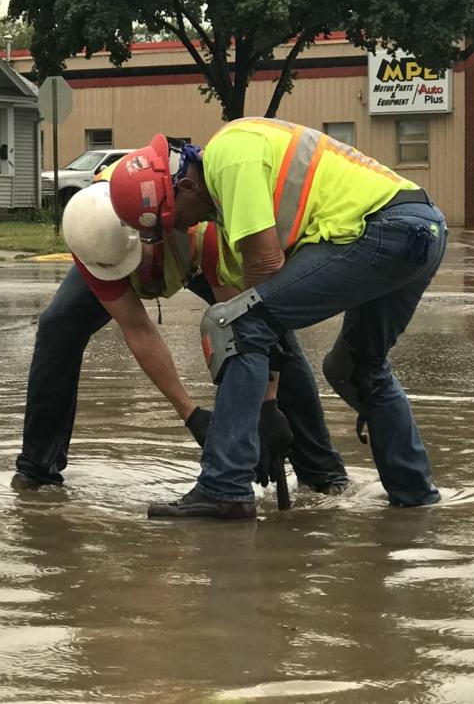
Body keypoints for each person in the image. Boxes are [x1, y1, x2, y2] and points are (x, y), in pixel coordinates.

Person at [107, 121, 448, 519]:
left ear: (185, 188)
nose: (179, 230)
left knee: (230, 323)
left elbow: (264, 270)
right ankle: (414, 498)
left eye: (171, 220)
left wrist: (264, 402)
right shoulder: (227, 199)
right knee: (355, 367)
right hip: (423, 228)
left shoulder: (229, 155)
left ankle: (224, 486)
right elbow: (264, 300)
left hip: (382, 230)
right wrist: (268, 399)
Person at [14, 140, 349, 503]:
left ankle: (321, 472)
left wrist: (265, 406)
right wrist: (190, 414)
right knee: (57, 327)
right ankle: (38, 469)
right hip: (119, 247)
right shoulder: (91, 232)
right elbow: (138, 329)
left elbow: (252, 327)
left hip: (190, 248)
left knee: (276, 338)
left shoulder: (199, 225)